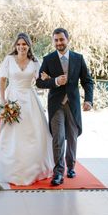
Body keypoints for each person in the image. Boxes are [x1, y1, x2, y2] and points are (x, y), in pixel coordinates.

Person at [0, 33, 54, 185]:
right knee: (9, 133)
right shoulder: (9, 59)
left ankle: (32, 168)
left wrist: (47, 78)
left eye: (24, 44)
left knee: (32, 133)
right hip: (12, 97)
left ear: (28, 46)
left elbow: (40, 79)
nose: (21, 47)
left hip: (30, 100)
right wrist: (2, 99)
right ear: (15, 46)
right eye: (19, 44)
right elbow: (2, 80)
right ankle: (7, 167)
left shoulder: (34, 61)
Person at [36, 28, 94, 186]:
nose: (59, 43)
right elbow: (39, 82)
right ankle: (58, 173)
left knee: (72, 137)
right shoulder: (48, 59)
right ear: (53, 41)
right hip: (56, 105)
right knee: (58, 138)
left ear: (67, 40)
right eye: (56, 40)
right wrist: (54, 81)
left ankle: (71, 166)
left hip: (73, 104)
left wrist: (88, 100)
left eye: (61, 40)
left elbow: (87, 81)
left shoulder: (78, 58)